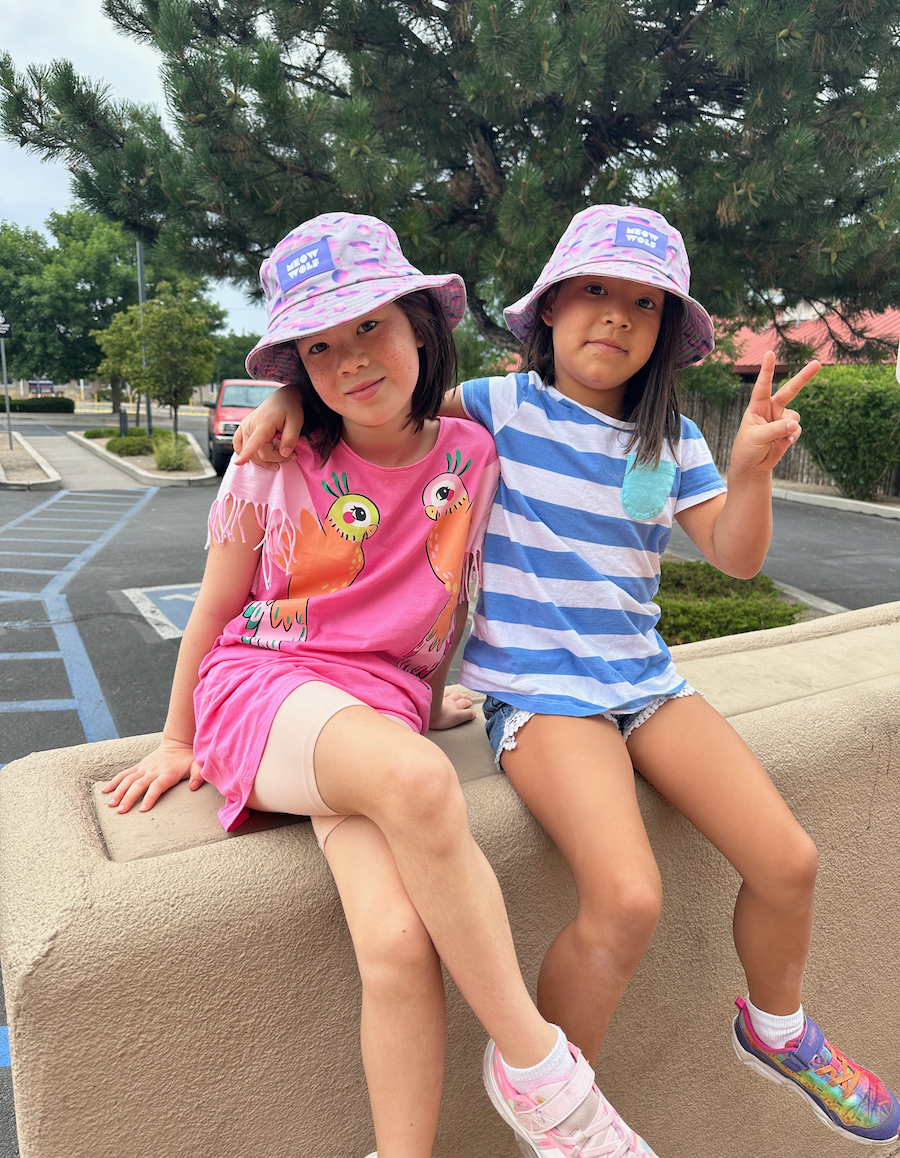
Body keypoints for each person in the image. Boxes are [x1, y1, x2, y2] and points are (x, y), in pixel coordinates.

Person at [232, 204, 900, 1147]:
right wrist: (287, 403)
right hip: (541, 696)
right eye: (592, 291)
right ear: (548, 308)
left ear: (666, 329)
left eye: (643, 302)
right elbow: (378, 400)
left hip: (645, 683)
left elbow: (738, 557)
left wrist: (750, 470)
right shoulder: (500, 406)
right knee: (627, 901)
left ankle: (776, 1030)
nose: (616, 315)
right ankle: (549, 1103)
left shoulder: (675, 441)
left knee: (790, 860)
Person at [103, 212, 666, 1158]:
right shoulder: (278, 461)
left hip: (374, 719)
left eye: (371, 326)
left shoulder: (471, 458)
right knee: (414, 777)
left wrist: (428, 700)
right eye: (319, 347)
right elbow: (214, 608)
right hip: (266, 688)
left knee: (401, 943)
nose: (353, 358)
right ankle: (543, 1077)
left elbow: (442, 598)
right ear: (296, 368)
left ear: (420, 327)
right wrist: (175, 736)